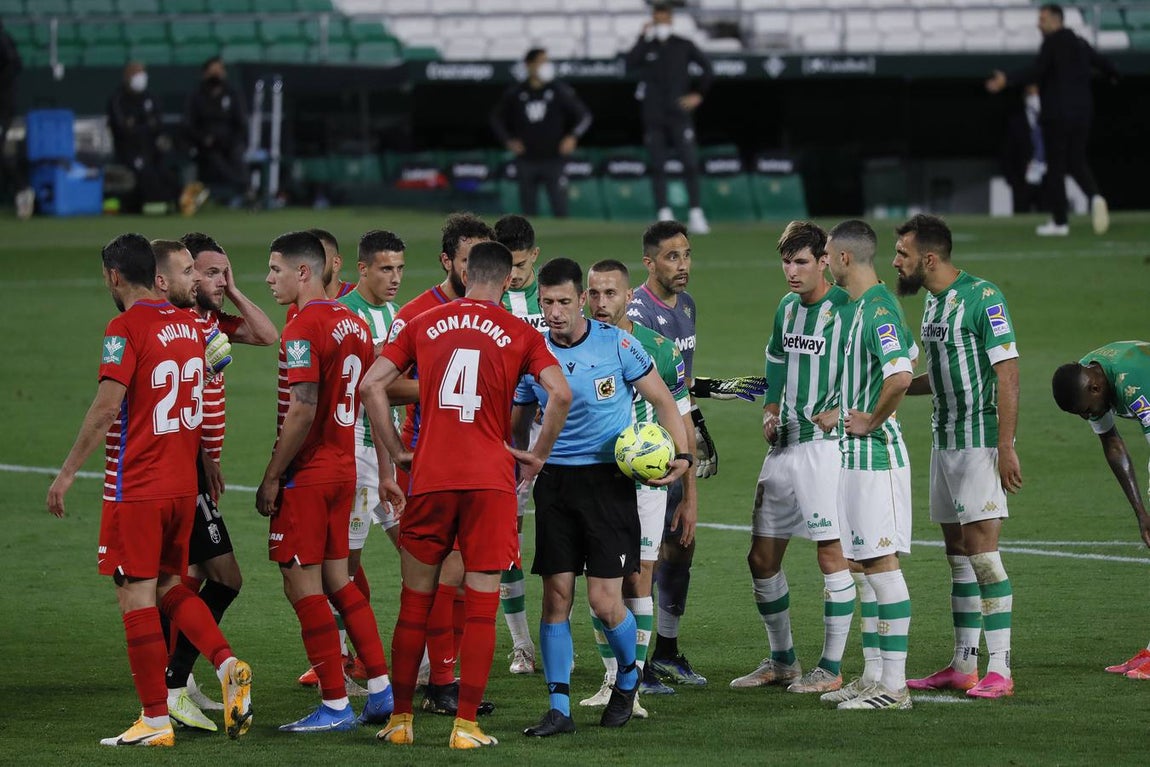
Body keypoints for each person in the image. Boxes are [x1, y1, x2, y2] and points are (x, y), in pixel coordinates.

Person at [361, 241, 571, 750]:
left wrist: (397, 449)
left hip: (430, 476)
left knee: (415, 603)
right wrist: (537, 454)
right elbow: (561, 393)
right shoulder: (520, 331)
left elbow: (372, 385)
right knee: (479, 607)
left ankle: (402, 721)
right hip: (490, 482)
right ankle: (466, 726)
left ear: (465, 273)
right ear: (505, 281)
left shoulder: (423, 321)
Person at [47, 233, 252, 747]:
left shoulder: (124, 327)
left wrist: (69, 471)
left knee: (134, 597)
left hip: (135, 488)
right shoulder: (190, 325)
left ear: (115, 276)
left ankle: (155, 721)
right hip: (182, 490)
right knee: (168, 587)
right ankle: (226, 663)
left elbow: (106, 407)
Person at [513, 257, 693, 737]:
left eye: (564, 302)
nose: (554, 311)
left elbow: (663, 400)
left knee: (604, 599)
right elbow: (517, 419)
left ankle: (628, 675)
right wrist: (513, 472)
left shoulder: (617, 344)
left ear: (581, 301)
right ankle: (559, 708)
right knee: (556, 597)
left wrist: (684, 456)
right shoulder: (532, 353)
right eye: (547, 302)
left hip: (608, 484)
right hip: (553, 483)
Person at [258, 231, 399, 732]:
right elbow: (368, 395)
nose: (269, 279)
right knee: (339, 580)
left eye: (275, 269)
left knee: (303, 587)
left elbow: (302, 406)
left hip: (310, 477)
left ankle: (335, 704)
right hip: (345, 469)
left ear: (303, 272)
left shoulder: (304, 327)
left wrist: (273, 475)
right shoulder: (355, 323)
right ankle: (380, 689)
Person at [892, 214, 1021, 700]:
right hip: (943, 441)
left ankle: (1000, 669)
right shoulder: (930, 304)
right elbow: (941, 376)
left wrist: (1005, 446)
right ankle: (964, 664)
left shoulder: (983, 298)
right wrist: (894, 390)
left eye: (902, 253)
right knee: (959, 558)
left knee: (984, 557)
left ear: (929, 258)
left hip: (980, 442)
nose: (895, 262)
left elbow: (1007, 374)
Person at [729, 221, 856, 695]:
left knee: (830, 553)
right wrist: (769, 407)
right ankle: (782, 660)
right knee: (761, 557)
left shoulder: (848, 307)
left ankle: (831, 665)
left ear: (824, 261)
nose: (791, 271)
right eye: (786, 261)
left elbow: (896, 360)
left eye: (801, 261)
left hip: (825, 449)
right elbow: (776, 362)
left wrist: (845, 411)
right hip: (783, 446)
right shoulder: (786, 308)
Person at [154, 233, 276, 730]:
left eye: (223, 272)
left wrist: (233, 288)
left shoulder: (212, 321)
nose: (218, 281)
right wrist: (203, 454)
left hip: (199, 467)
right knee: (212, 577)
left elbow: (270, 335)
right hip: (183, 471)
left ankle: (178, 682)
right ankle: (174, 684)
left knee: (189, 577)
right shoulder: (178, 326)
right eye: (207, 272)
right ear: (183, 274)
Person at [385, 212, 498, 717]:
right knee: (442, 574)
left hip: (479, 465)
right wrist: (446, 383)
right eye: (467, 259)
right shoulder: (415, 313)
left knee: (465, 571)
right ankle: (443, 681)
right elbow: (383, 384)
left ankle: (439, 674)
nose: (475, 270)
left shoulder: (495, 314)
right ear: (448, 261)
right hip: (427, 461)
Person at [579, 258, 696, 718]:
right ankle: (610, 678)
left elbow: (681, 418)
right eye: (594, 294)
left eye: (611, 294)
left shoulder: (661, 350)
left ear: (631, 297)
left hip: (647, 479)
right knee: (600, 577)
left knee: (638, 577)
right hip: (596, 477)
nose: (601, 303)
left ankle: (633, 685)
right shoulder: (576, 343)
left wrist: (688, 494)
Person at [816, 219, 915, 711]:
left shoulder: (877, 309)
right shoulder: (860, 308)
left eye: (827, 254)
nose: (823, 261)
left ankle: (894, 688)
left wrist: (871, 420)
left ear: (844, 259)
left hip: (877, 456)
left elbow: (901, 375)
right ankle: (875, 675)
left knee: (880, 562)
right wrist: (846, 410)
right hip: (854, 455)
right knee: (861, 563)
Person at [1052, 341, 1150, 677]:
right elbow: (1111, 441)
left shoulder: (1133, 384)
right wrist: (1141, 512)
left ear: (1095, 386)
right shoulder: (1090, 377)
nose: (1087, 416)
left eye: (1086, 409)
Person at [986, 3, 1117, 237]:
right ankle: (1095, 197)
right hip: (1083, 112)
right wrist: (1112, 77)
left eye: (1043, 19)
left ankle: (1060, 222)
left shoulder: (1052, 43)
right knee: (1076, 159)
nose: (1039, 24)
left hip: (1057, 113)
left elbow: (1036, 70)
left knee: (1055, 166)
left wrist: (1007, 79)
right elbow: (1107, 65)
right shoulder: (1080, 43)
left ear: (1056, 20)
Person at [494, 213, 546, 674]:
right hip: (504, 439)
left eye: (520, 263)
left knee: (560, 542)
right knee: (507, 541)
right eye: (504, 263)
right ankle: (522, 646)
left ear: (534, 254)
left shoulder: (554, 298)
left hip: (556, 436)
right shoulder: (486, 299)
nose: (512, 273)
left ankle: (557, 636)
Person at [338, 230, 406, 558]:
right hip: (354, 449)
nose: (395, 278)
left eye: (399, 269)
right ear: (362, 269)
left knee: (417, 555)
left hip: (387, 451)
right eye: (386, 269)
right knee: (345, 569)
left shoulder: (399, 315)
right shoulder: (343, 315)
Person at [625, 2, 713, 235]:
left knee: (690, 163)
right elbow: (629, 64)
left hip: (679, 114)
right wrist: (643, 36)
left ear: (671, 21)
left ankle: (696, 213)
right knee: (658, 164)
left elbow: (707, 69)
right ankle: (664, 213)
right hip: (653, 115)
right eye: (657, 20)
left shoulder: (683, 45)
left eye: (664, 20)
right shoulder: (647, 47)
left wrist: (698, 95)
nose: (661, 24)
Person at [490, 48, 592, 218]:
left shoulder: (559, 90)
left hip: (554, 159)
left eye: (547, 61)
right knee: (528, 213)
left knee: (560, 208)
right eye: (541, 61)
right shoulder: (516, 92)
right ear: (529, 65)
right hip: (526, 160)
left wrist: (573, 136)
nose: (546, 66)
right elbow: (496, 118)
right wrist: (508, 140)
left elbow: (584, 115)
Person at [107, 62, 182, 214]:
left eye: (142, 73)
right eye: (136, 74)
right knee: (144, 173)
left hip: (152, 150)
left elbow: (157, 126)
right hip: (129, 151)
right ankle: (139, 205)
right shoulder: (118, 99)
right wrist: (146, 126)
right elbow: (124, 130)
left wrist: (138, 126)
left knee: (167, 171)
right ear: (127, 76)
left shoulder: (151, 98)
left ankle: (174, 203)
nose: (140, 77)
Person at [184, 56, 249, 209]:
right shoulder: (196, 96)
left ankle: (240, 192)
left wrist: (233, 139)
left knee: (237, 155)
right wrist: (202, 138)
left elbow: (241, 123)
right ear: (205, 73)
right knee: (214, 159)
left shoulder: (232, 94)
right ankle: (244, 189)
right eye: (213, 72)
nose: (217, 75)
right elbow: (188, 124)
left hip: (230, 142)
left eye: (219, 71)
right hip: (205, 144)